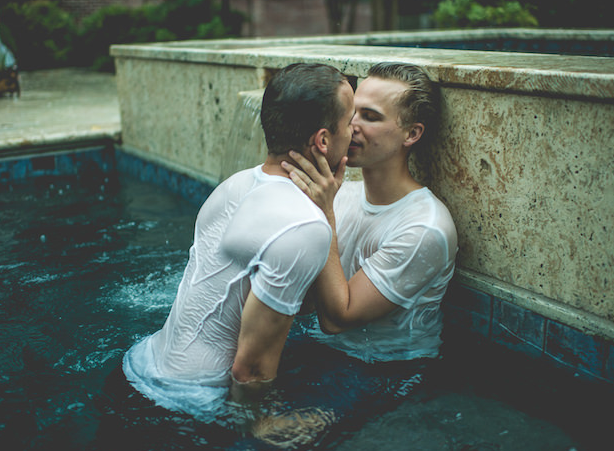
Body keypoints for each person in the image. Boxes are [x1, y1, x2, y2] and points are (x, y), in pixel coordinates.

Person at [120, 62, 355, 420]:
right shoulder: (305, 226)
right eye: (351, 121)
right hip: (192, 401)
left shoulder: (235, 185)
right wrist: (262, 427)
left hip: (141, 362)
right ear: (323, 140)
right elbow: (252, 371)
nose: (356, 130)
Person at [283, 62, 458, 363]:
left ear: (411, 134)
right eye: (352, 113)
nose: (351, 127)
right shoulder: (341, 194)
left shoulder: (424, 228)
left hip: (384, 370)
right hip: (321, 348)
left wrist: (323, 214)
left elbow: (338, 320)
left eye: (371, 117)